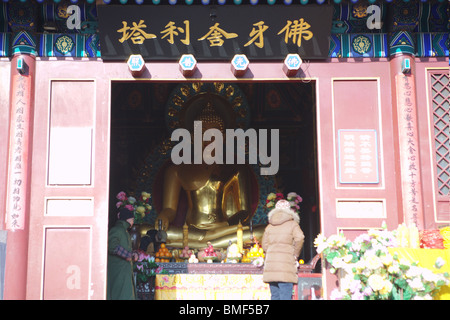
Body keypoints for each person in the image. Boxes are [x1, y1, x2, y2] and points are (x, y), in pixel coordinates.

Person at [262, 199, 305, 300]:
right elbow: (300, 238)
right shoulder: (292, 224)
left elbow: (264, 244)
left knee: (275, 296)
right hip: (286, 265)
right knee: (285, 295)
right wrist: (295, 254)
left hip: (271, 266)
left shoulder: (269, 226)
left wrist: (272, 252)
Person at [107, 207, 138, 300]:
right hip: (118, 272)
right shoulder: (117, 230)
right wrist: (129, 255)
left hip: (124, 271)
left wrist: (134, 254)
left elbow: (125, 249)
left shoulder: (125, 232)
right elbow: (111, 246)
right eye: (132, 219)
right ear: (128, 219)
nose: (133, 221)